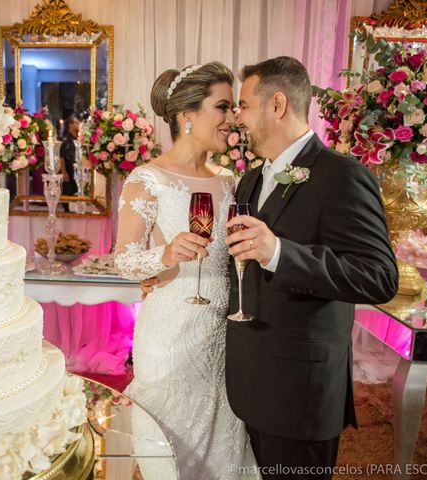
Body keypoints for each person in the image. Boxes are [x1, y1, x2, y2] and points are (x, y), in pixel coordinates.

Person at [221, 57, 398, 478]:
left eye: (244, 105)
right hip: (250, 381)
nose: (237, 116)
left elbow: (378, 276)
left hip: (300, 392)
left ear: (277, 105)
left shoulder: (342, 176)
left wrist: (280, 252)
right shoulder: (250, 179)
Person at [114, 61, 258, 480]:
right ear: (187, 116)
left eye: (233, 108)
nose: (232, 118)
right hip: (169, 330)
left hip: (221, 326)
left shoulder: (230, 180)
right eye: (223, 107)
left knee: (221, 429)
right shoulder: (148, 178)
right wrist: (166, 255)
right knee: (168, 436)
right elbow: (123, 260)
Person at [59, 114, 80, 198]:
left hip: (77, 169)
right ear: (71, 124)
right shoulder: (65, 139)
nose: (79, 124)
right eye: (76, 123)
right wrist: (64, 172)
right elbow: (61, 156)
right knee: (68, 190)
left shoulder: (79, 138)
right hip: (68, 169)